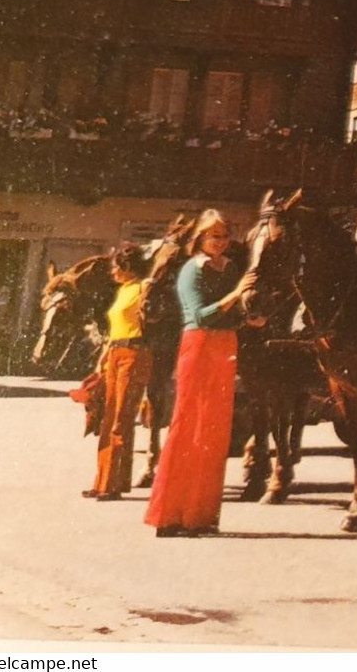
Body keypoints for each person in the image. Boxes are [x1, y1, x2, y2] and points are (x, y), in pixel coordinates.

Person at [144, 209, 244, 538]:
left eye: (224, 235)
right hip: (199, 345)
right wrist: (236, 295)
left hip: (225, 345)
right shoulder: (192, 269)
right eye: (214, 235)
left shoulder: (229, 268)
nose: (220, 241)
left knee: (214, 433)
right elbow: (201, 316)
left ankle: (199, 516)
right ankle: (170, 515)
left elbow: (232, 314)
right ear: (200, 238)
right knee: (189, 426)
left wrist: (248, 318)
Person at [84, 245, 153, 501]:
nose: (113, 271)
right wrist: (103, 356)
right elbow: (116, 328)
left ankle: (111, 484)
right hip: (114, 353)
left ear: (127, 267)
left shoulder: (143, 287)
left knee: (121, 418)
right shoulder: (123, 289)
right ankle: (104, 480)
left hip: (135, 352)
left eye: (116, 266)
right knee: (108, 415)